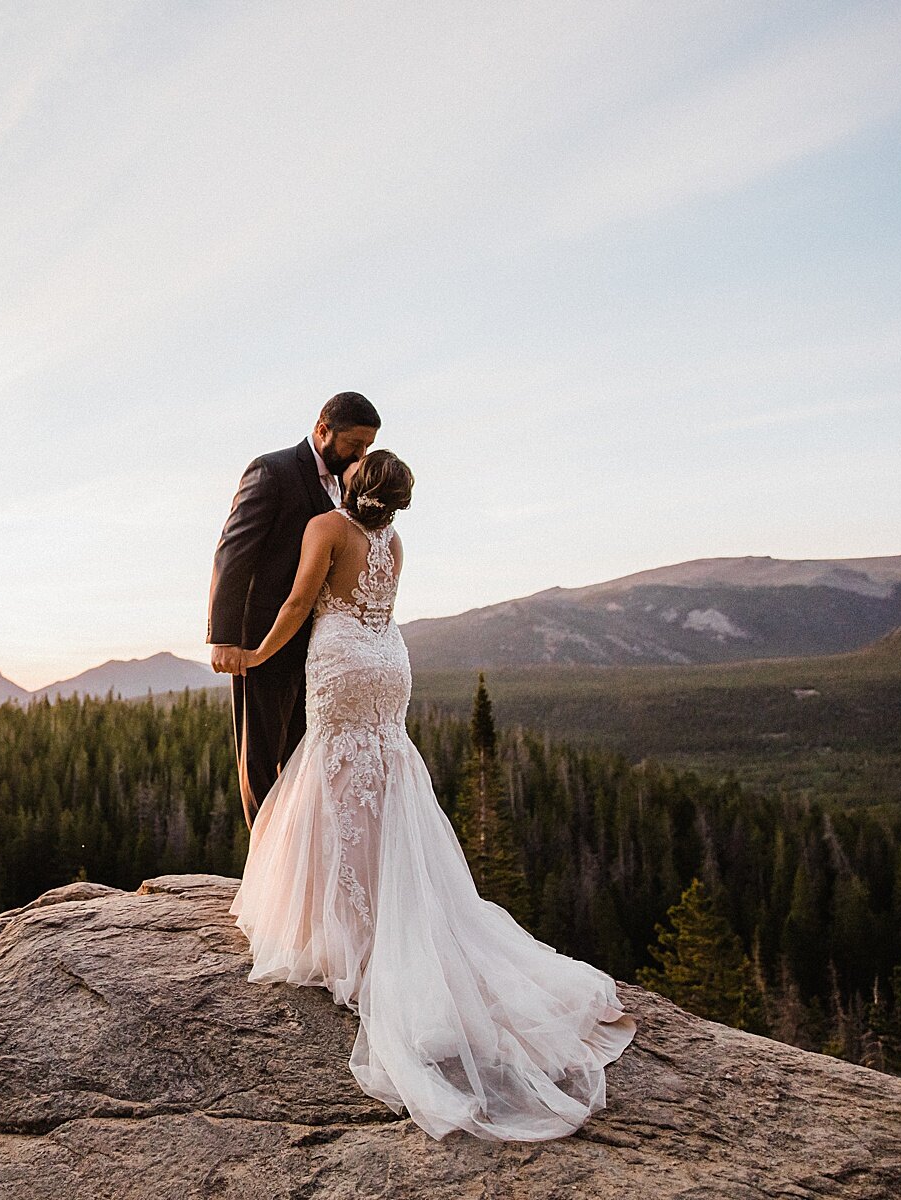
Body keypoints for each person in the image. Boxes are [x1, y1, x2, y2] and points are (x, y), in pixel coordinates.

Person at [221, 450, 637, 1142]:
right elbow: (375, 604)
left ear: (355, 485)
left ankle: (345, 931)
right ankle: (386, 912)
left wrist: (257, 654)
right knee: (383, 776)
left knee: (334, 777)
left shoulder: (326, 527)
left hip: (344, 659)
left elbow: (301, 601)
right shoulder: (394, 542)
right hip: (388, 662)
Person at [207, 392, 379, 830]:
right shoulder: (272, 470)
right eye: (355, 445)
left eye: (368, 447)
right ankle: (266, 872)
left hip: (318, 646)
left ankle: (298, 866)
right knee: (261, 762)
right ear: (323, 430)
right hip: (263, 637)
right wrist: (225, 636)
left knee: (305, 755)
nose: (361, 455)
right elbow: (233, 552)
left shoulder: (344, 485)